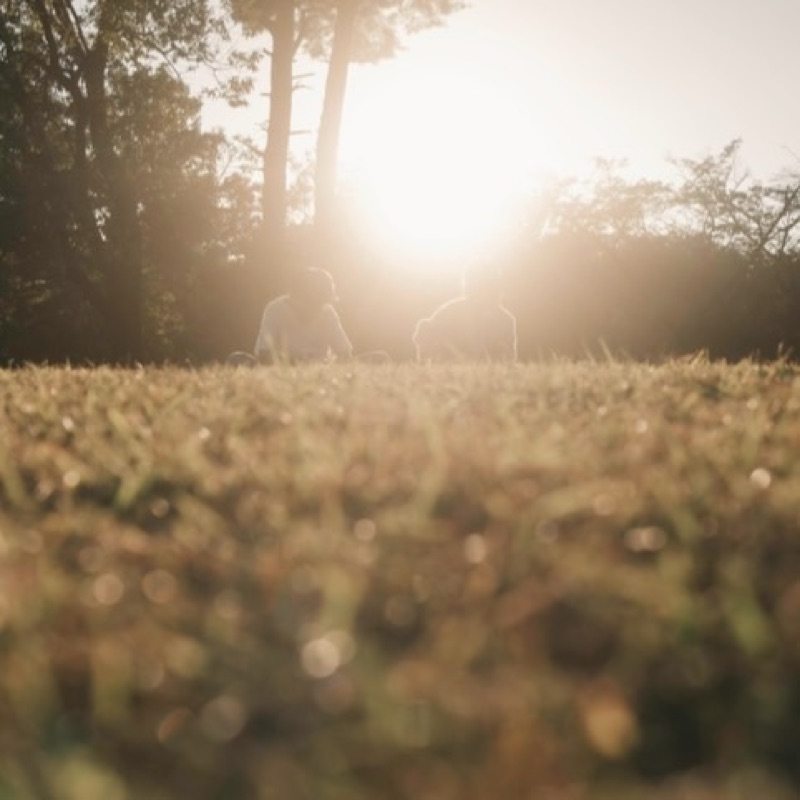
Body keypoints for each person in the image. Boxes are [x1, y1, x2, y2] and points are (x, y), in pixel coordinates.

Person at [228, 267, 353, 365]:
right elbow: (263, 353)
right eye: (313, 301)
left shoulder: (327, 311)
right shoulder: (275, 309)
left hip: (321, 368)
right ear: (296, 294)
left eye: (321, 302)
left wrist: (331, 365)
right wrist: (294, 364)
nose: (317, 307)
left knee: (372, 357)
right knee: (237, 359)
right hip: (282, 368)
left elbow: (345, 352)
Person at [413, 262, 518, 361]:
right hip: (449, 377)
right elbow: (423, 347)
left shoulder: (505, 321)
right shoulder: (449, 313)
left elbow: (507, 360)